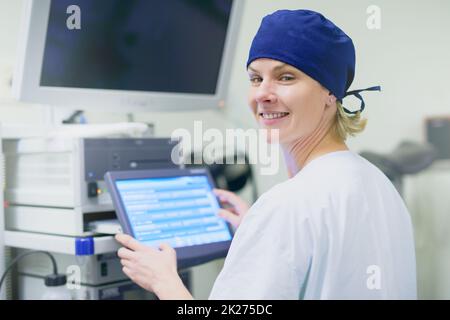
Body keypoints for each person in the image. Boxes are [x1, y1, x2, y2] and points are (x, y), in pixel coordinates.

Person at [115, 9, 417, 299]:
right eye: (256, 78)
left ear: (330, 93)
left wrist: (164, 281)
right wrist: (259, 235)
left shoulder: (286, 208)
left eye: (286, 77)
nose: (262, 94)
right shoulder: (378, 184)